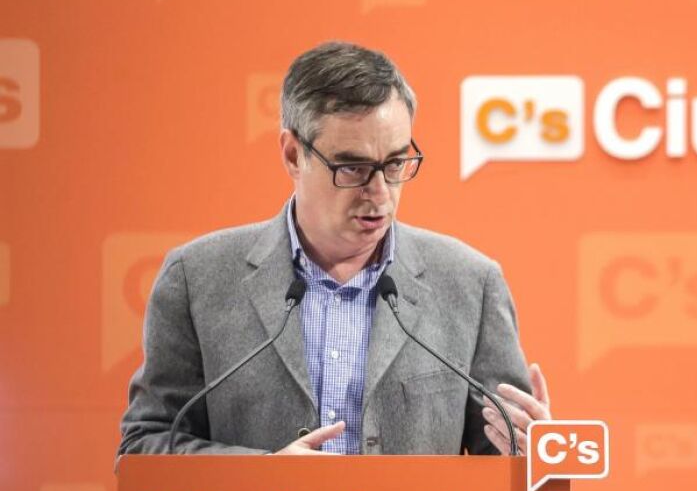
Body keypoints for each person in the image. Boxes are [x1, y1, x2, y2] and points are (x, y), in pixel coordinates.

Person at [116, 41, 548, 458]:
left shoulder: (471, 284)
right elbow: (144, 445)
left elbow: (507, 464)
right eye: (353, 167)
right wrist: (262, 475)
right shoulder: (196, 279)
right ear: (293, 155)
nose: (380, 193)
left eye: (396, 163)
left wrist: (535, 452)